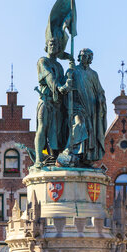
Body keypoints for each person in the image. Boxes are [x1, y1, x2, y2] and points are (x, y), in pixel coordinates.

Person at [34, 38, 73, 168]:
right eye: (50, 44)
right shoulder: (42, 61)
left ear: (58, 49)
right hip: (45, 101)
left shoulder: (60, 67)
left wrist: (68, 81)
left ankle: (56, 158)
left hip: (57, 104)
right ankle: (39, 159)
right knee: (42, 127)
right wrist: (60, 88)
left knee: (56, 133)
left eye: (56, 45)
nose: (53, 46)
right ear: (46, 46)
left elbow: (62, 82)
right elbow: (50, 78)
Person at [65, 48, 107, 165]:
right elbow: (66, 88)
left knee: (90, 132)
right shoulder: (73, 71)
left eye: (88, 56)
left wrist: (101, 99)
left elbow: (100, 91)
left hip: (92, 107)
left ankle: (86, 158)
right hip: (77, 106)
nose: (86, 58)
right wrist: (68, 79)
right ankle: (70, 151)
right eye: (83, 56)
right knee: (79, 124)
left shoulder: (93, 74)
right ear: (79, 57)